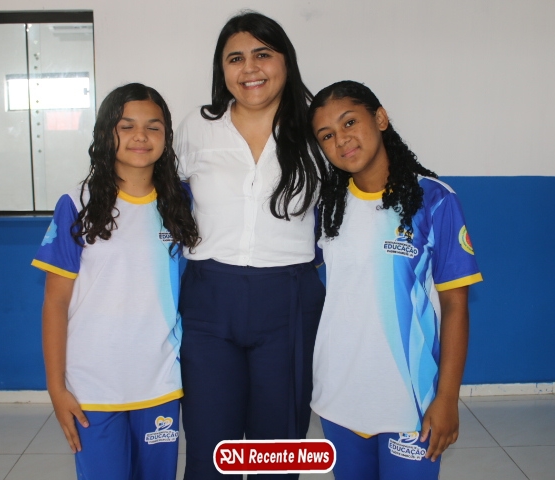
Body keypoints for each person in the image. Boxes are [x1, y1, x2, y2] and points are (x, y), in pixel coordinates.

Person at [174, 11, 326, 480]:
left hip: (289, 301)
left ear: (285, 61)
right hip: (209, 301)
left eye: (263, 54)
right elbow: (155, 190)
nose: (250, 68)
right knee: (209, 446)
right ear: (222, 69)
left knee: (276, 449)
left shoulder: (315, 129)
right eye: (235, 58)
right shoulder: (198, 126)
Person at [308, 80, 483, 479]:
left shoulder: (434, 199)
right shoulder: (327, 205)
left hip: (410, 399)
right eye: (327, 135)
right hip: (339, 392)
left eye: (349, 122)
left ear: (381, 118)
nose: (341, 139)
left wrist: (447, 398)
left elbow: (456, 306)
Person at [32, 83, 198, 480]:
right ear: (107, 133)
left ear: (166, 136)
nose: (141, 136)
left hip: (159, 380)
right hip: (92, 385)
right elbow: (55, 303)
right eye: (127, 126)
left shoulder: (181, 201)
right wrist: (57, 389)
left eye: (153, 127)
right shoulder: (77, 203)